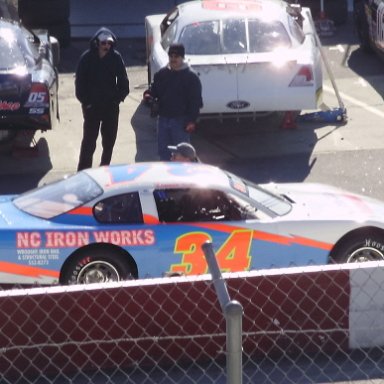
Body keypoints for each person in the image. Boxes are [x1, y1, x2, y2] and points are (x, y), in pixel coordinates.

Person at [75, 27, 130, 171]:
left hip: (110, 108)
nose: (106, 46)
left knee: (109, 141)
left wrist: (117, 99)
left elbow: (123, 81)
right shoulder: (86, 58)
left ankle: (105, 169)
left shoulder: (116, 58)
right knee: (89, 142)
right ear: (97, 43)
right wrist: (86, 103)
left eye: (109, 44)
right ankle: (83, 171)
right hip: (92, 108)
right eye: (104, 43)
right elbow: (79, 83)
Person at [148, 43, 203, 161]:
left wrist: (191, 121)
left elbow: (196, 102)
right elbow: (154, 92)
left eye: (176, 56)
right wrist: (149, 96)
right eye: (171, 56)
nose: (173, 59)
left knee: (183, 156)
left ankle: (184, 178)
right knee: (163, 153)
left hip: (181, 122)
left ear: (182, 57)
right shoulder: (161, 74)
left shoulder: (191, 77)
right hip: (163, 120)